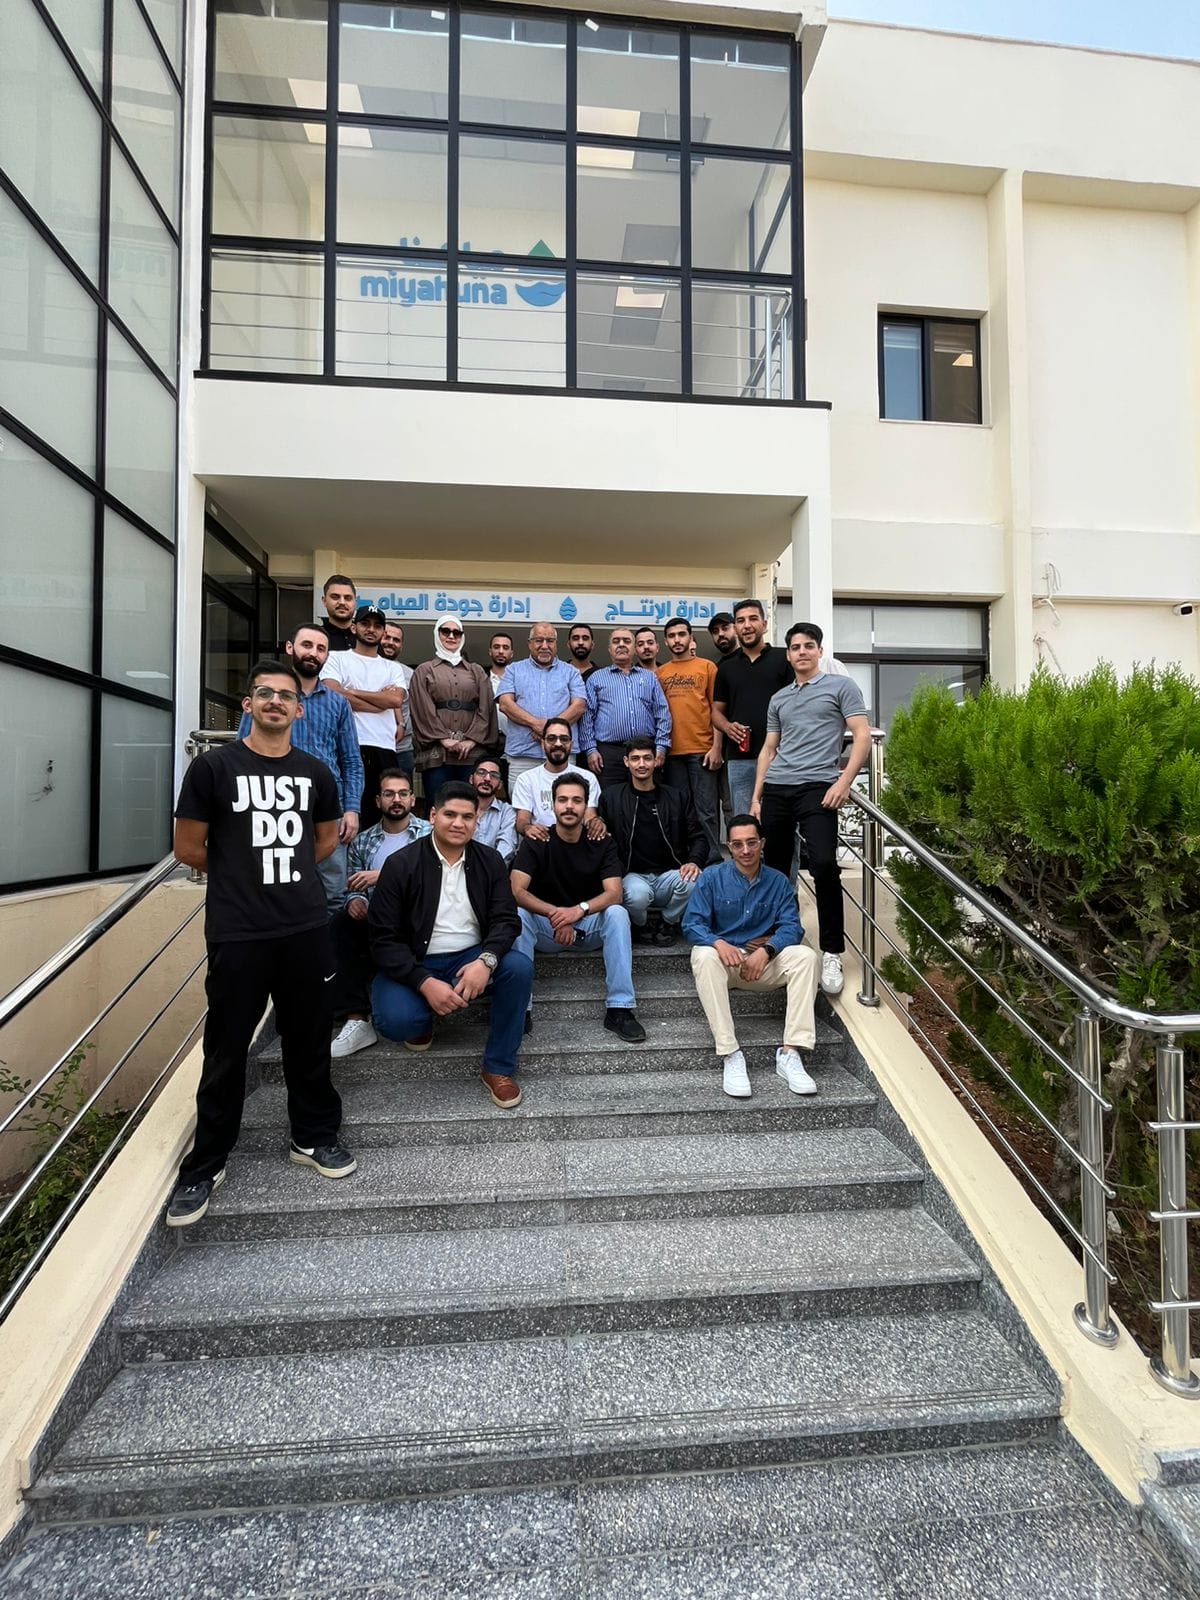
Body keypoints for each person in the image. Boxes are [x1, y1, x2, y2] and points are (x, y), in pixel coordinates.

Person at [166, 660, 356, 1227]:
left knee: (308, 1039)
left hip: (303, 927)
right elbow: (187, 848)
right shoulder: (213, 768)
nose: (276, 701)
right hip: (239, 930)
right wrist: (242, 874)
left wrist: (283, 875)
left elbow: (325, 841)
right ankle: (207, 1162)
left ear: (299, 709)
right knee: (226, 1047)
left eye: (286, 695)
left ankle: (312, 1136)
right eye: (265, 693)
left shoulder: (316, 772)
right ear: (247, 704)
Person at [369, 782, 533, 1109]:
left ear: (476, 821)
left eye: (467, 817)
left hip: (469, 957)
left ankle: (498, 1067)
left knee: (518, 968)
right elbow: (382, 938)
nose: (459, 823)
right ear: (432, 815)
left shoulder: (489, 861)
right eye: (450, 815)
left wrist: (486, 961)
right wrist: (424, 982)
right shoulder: (401, 864)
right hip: (416, 960)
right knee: (397, 1021)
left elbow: (506, 920)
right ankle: (421, 1020)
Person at [751, 621, 872, 998]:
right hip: (778, 788)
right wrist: (756, 797)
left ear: (819, 651)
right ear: (788, 655)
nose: (802, 652)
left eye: (808, 646)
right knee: (774, 870)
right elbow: (769, 749)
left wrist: (844, 782)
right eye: (795, 647)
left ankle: (832, 951)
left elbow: (862, 736)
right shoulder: (779, 698)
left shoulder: (840, 687)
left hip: (818, 787)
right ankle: (779, 938)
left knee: (822, 864)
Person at [682, 815, 819, 1100]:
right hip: (726, 966)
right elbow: (692, 924)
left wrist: (767, 951)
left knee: (806, 957)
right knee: (703, 954)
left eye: (752, 842)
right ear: (729, 847)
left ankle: (791, 1053)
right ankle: (731, 1053)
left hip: (762, 966)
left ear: (762, 843)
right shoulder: (712, 878)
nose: (745, 850)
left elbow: (792, 927)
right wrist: (718, 942)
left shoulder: (778, 882)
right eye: (738, 844)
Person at [237, 624, 363, 912]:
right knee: (273, 887)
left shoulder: (338, 704)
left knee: (332, 894)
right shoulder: (267, 699)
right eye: (307, 645)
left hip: (326, 810)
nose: (313, 653)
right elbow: (243, 753)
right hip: (274, 805)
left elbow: (351, 761)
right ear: (290, 648)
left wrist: (352, 809)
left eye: (321, 649)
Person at [512, 772, 646, 1042]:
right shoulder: (537, 840)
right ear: (552, 805)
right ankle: (519, 1008)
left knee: (618, 914)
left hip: (587, 927)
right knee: (518, 915)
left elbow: (614, 894)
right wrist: (557, 915)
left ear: (587, 806)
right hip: (547, 928)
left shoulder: (602, 841)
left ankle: (620, 1009)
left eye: (577, 800)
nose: (569, 806)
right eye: (562, 800)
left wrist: (577, 911)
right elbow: (516, 890)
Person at [330, 769, 431, 1059]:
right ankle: (357, 1018)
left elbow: (433, 877)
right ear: (378, 801)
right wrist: (356, 901)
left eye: (402, 793)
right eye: (389, 794)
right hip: (379, 919)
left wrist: (382, 875)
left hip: (420, 920)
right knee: (340, 925)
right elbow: (353, 884)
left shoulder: (428, 833)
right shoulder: (363, 841)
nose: (396, 800)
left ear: (412, 799)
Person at [600, 738, 706, 945]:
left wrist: (694, 861)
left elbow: (698, 836)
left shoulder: (676, 797)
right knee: (637, 895)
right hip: (632, 875)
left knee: (695, 880)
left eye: (647, 758)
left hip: (670, 874)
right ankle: (640, 925)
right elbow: (603, 839)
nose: (641, 764)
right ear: (626, 762)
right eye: (635, 759)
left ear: (656, 760)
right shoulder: (611, 797)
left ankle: (668, 921)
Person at [321, 604, 408, 831]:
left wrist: (351, 691)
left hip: (383, 748)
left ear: (383, 632)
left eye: (377, 626)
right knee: (344, 814)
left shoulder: (392, 668)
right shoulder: (336, 658)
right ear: (354, 627)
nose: (371, 629)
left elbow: (394, 700)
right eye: (365, 624)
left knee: (381, 818)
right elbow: (333, 694)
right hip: (347, 746)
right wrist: (378, 701)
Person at [657, 615, 727, 867]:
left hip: (703, 751)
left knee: (706, 811)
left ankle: (712, 862)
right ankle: (685, 861)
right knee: (679, 811)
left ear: (690, 637)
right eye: (672, 636)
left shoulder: (707, 667)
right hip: (672, 753)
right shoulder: (661, 673)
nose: (677, 640)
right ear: (666, 642)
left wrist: (717, 747)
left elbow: (717, 710)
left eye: (681, 634)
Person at [713, 599, 792, 819]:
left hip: (782, 756)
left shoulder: (784, 658)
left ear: (764, 625)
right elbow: (716, 711)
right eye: (740, 621)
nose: (747, 625)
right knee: (744, 821)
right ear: (735, 628)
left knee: (782, 822)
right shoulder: (725, 668)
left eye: (753, 619)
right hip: (740, 757)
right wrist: (727, 727)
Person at [407, 616, 497, 806]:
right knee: (438, 805)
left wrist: (471, 740)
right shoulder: (424, 670)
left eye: (457, 632)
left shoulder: (476, 671)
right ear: (437, 634)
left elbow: (486, 707)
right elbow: (421, 707)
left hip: (471, 753)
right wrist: (444, 739)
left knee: (470, 806)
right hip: (437, 753)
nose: (451, 636)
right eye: (445, 631)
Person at [580, 627, 672, 792]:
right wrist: (590, 750)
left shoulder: (649, 678)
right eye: (616, 641)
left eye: (626, 641)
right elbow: (587, 717)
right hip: (608, 754)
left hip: (645, 751)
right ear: (609, 649)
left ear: (634, 648)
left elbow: (662, 713)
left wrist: (661, 746)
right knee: (610, 799)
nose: (621, 645)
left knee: (648, 799)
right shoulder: (596, 678)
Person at [496, 622, 587, 786]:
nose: (544, 646)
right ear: (529, 644)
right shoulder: (513, 670)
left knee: (564, 798)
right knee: (521, 800)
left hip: (562, 753)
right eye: (539, 640)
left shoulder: (571, 672)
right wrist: (535, 724)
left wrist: (548, 730)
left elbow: (579, 706)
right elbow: (505, 704)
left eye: (550, 641)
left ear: (556, 644)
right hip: (522, 754)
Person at [511, 718, 604, 839]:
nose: (558, 744)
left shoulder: (588, 778)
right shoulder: (526, 779)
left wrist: (595, 824)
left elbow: (589, 816)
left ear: (571, 744)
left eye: (564, 739)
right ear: (543, 744)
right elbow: (522, 820)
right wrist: (527, 828)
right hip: (541, 841)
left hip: (576, 842)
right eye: (551, 738)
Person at [378, 619, 415, 782]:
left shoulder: (410, 675)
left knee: (401, 794)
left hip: (402, 749)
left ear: (401, 645)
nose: (391, 643)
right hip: (371, 745)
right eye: (386, 637)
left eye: (396, 640)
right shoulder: (362, 667)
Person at [469, 756, 517, 863]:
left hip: (494, 869)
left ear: (500, 785)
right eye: (481, 773)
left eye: (494, 775)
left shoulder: (507, 811)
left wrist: (489, 869)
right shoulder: (459, 808)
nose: (487, 779)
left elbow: (507, 847)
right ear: (471, 779)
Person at [487, 632, 514, 784]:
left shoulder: (519, 680)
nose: (501, 651)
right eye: (496, 647)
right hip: (486, 744)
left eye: (505, 647)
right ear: (490, 651)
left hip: (512, 744)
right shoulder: (480, 679)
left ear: (512, 653)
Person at [319, 574, 358, 653]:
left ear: (355, 602)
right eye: (335, 597)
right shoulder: (316, 637)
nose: (342, 602)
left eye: (348, 598)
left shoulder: (366, 638)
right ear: (324, 601)